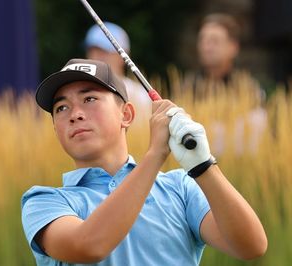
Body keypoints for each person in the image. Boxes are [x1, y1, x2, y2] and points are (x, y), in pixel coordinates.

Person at [21, 58, 267, 265]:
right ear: (56, 129)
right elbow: (89, 246)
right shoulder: (44, 202)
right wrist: (155, 155)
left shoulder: (179, 187)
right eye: (61, 108)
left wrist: (202, 165)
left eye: (89, 99)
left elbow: (251, 246)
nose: (75, 114)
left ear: (126, 114)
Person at [184, 13, 267, 156]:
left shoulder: (248, 89)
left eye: (214, 41)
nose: (207, 47)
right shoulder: (188, 87)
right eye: (203, 40)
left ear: (233, 47)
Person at [84, 22, 151, 122]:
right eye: (92, 51)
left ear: (123, 55)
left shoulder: (139, 95)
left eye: (104, 51)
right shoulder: (80, 92)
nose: (95, 57)